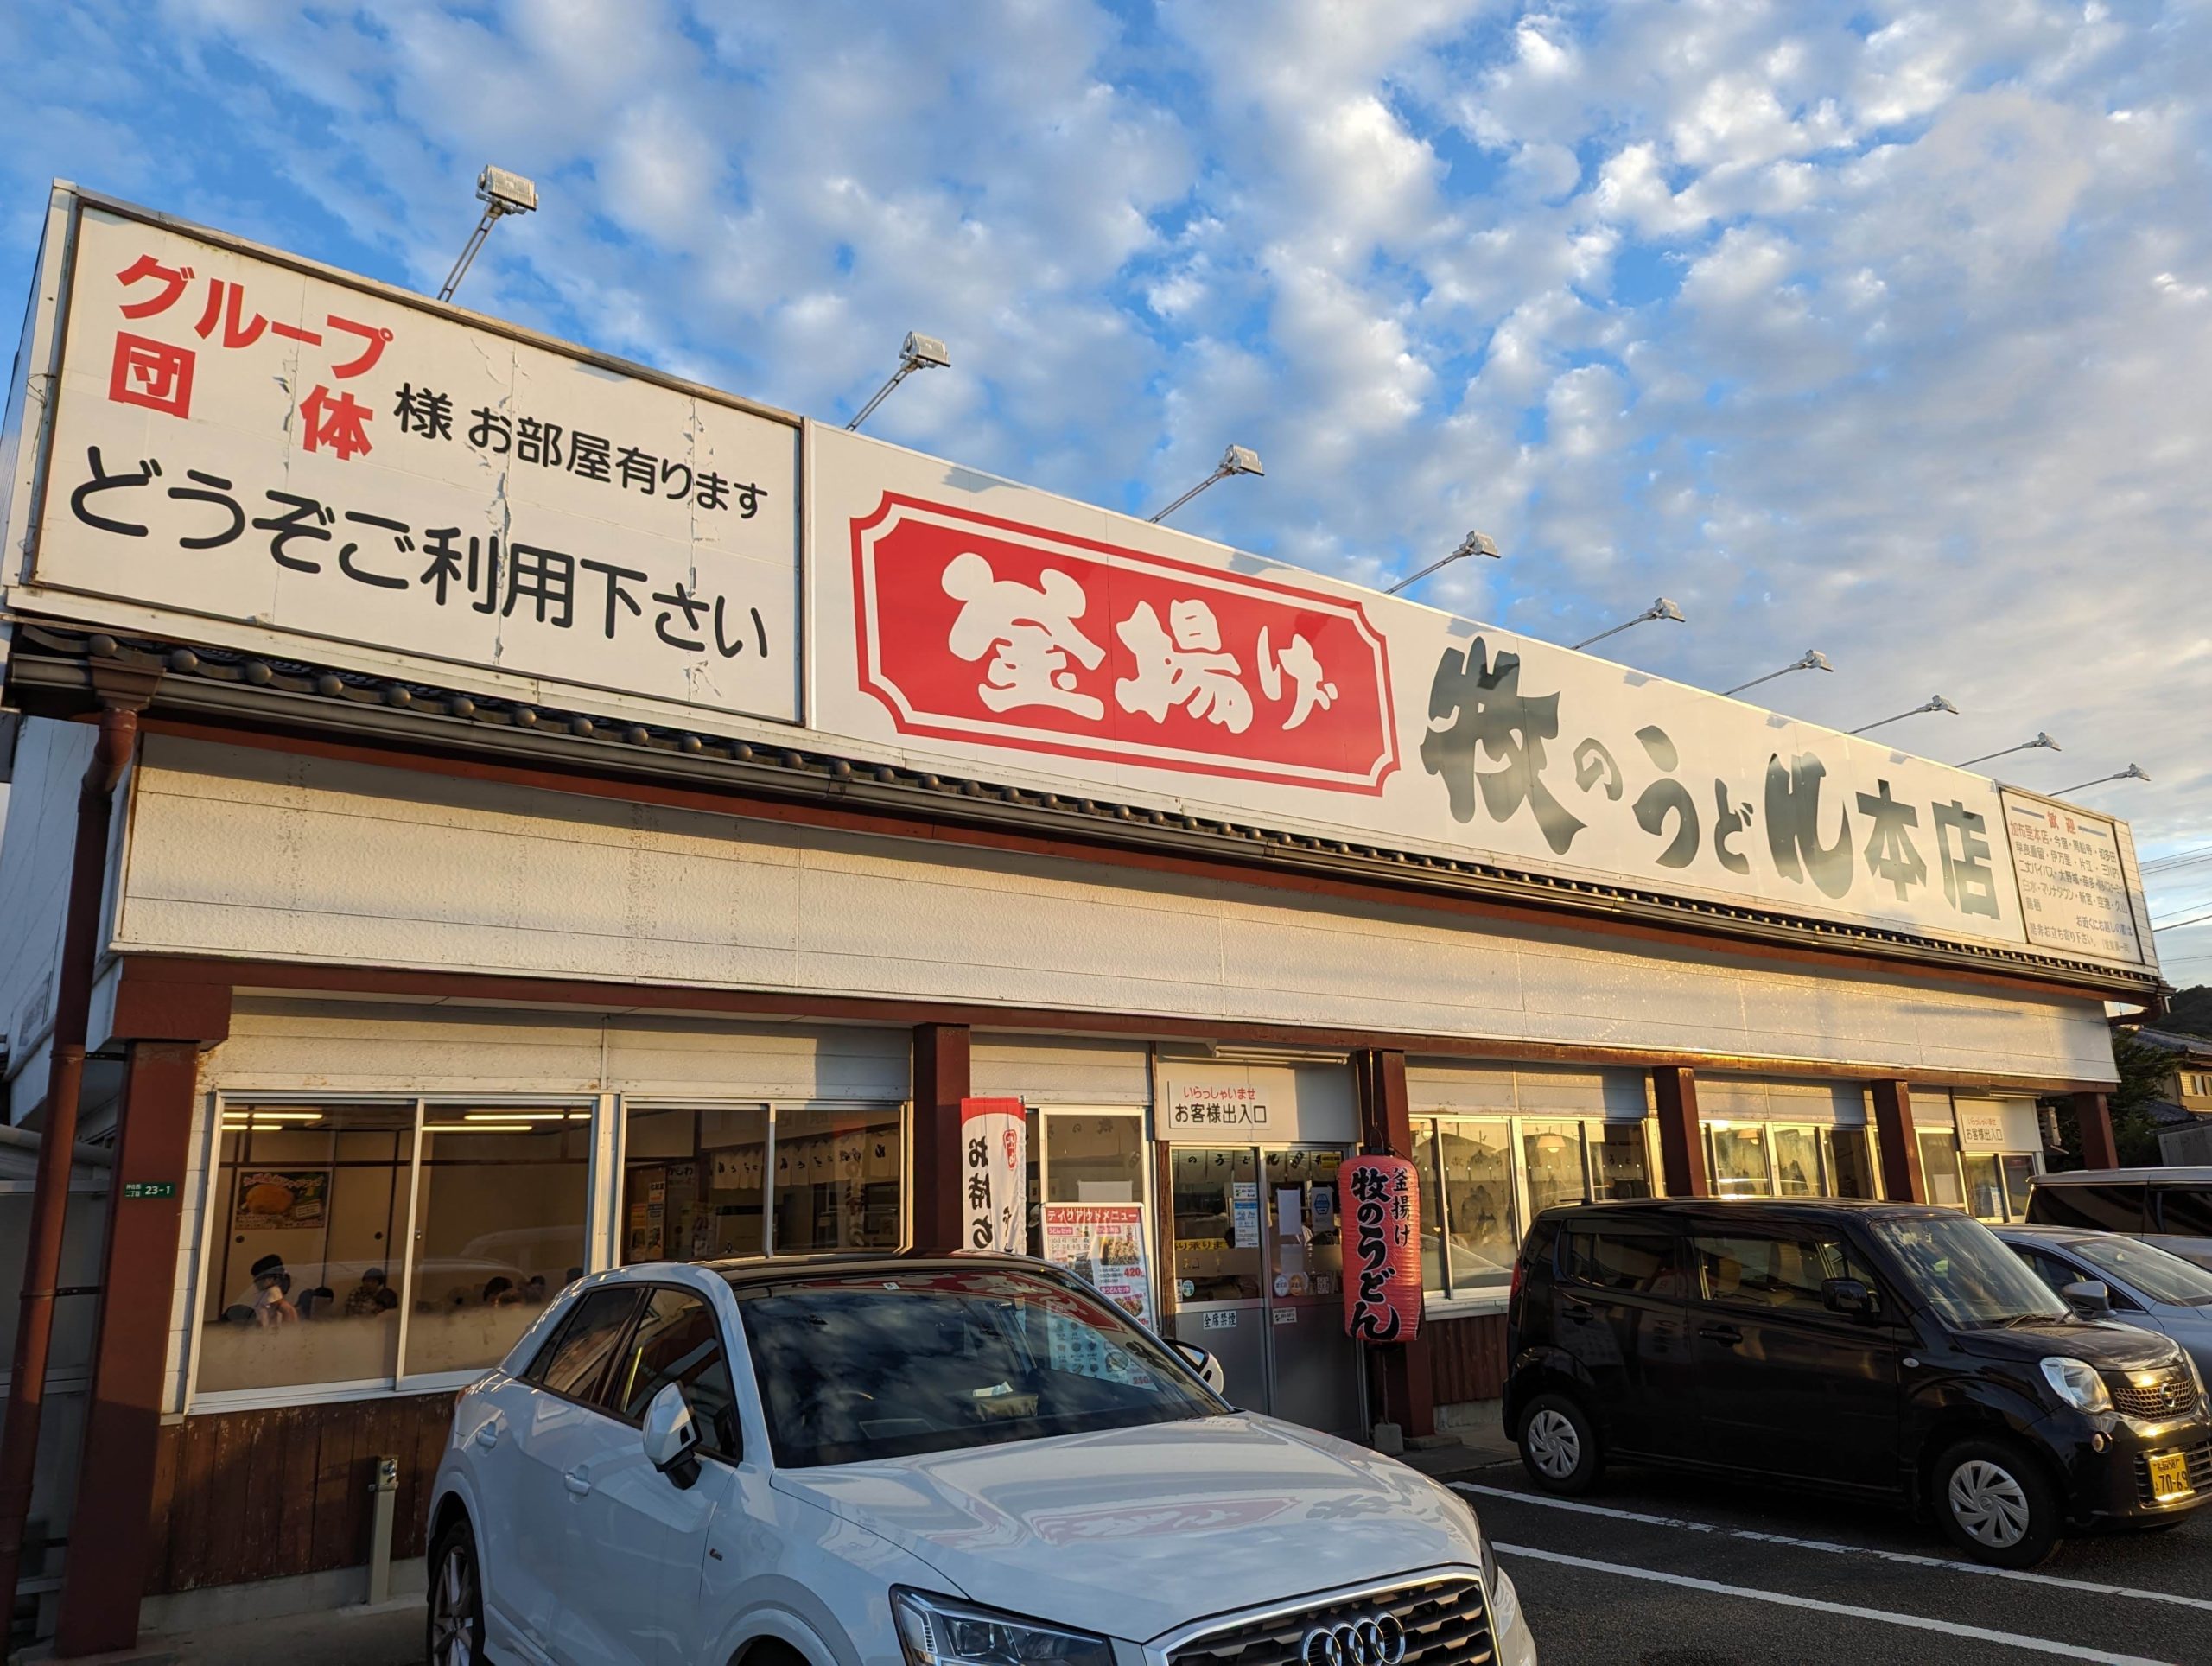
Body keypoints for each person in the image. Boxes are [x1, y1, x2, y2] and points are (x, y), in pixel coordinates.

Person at [250, 1254, 297, 1327]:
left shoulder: (273, 1291)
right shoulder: (264, 1293)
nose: (255, 1282)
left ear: (270, 1278)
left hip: (271, 1330)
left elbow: (288, 1310)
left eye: (258, 1279)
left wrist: (287, 1329)